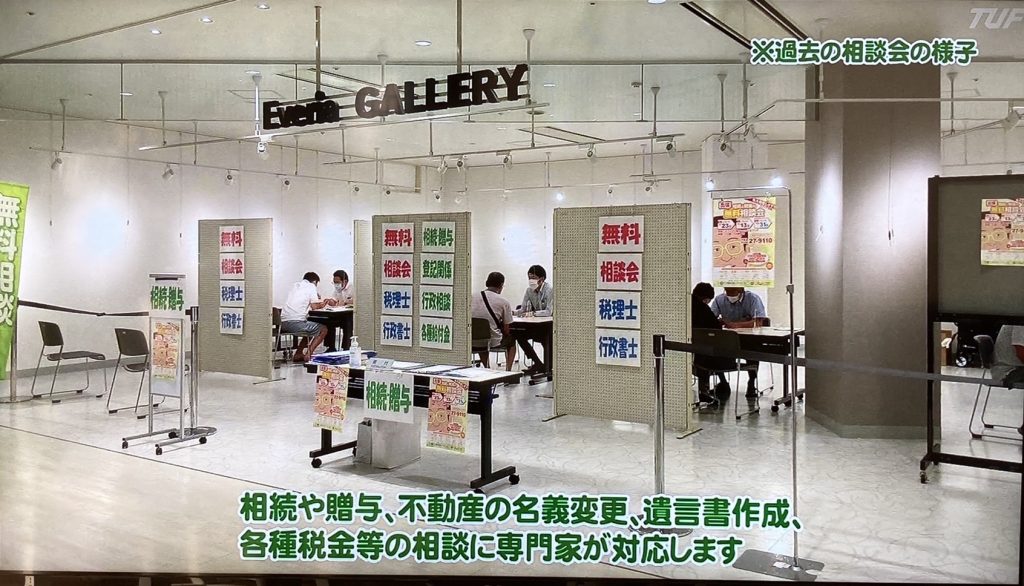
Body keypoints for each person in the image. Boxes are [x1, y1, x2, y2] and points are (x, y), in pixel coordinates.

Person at [709, 286, 767, 396]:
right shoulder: (719, 299)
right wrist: (720, 322)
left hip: (748, 339)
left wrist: (734, 325)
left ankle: (751, 382)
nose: (729, 294)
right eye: (727, 291)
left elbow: (758, 322)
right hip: (728, 339)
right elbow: (711, 318)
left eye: (732, 291)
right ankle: (723, 382)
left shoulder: (753, 299)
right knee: (714, 350)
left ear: (740, 290)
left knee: (753, 351)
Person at [691, 282, 734, 404]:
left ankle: (711, 387)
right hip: (706, 353)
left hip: (691, 349)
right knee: (716, 352)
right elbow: (716, 329)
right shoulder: (703, 308)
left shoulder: (686, 304)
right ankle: (713, 387)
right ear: (705, 298)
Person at [471, 272, 517, 371]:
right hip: (493, 341)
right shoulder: (503, 302)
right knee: (511, 341)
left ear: (487, 282)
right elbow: (506, 329)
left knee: (482, 338)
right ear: (501, 285)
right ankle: (508, 371)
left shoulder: (471, 297)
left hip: (472, 340)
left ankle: (487, 367)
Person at [281, 272, 330, 363]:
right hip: (296, 324)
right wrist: (323, 304)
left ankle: (298, 353)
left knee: (311, 328)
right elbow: (314, 306)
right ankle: (308, 355)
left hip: (283, 324)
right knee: (323, 329)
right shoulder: (311, 287)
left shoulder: (295, 286)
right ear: (314, 282)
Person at [514, 265, 553, 375]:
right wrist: (512, 313)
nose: (531, 280)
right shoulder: (529, 291)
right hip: (535, 325)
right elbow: (522, 309)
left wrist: (533, 313)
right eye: (529, 277)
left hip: (548, 325)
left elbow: (549, 311)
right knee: (519, 335)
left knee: (547, 338)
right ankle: (537, 363)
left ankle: (549, 367)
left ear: (542, 279)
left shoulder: (549, 290)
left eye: (534, 277)